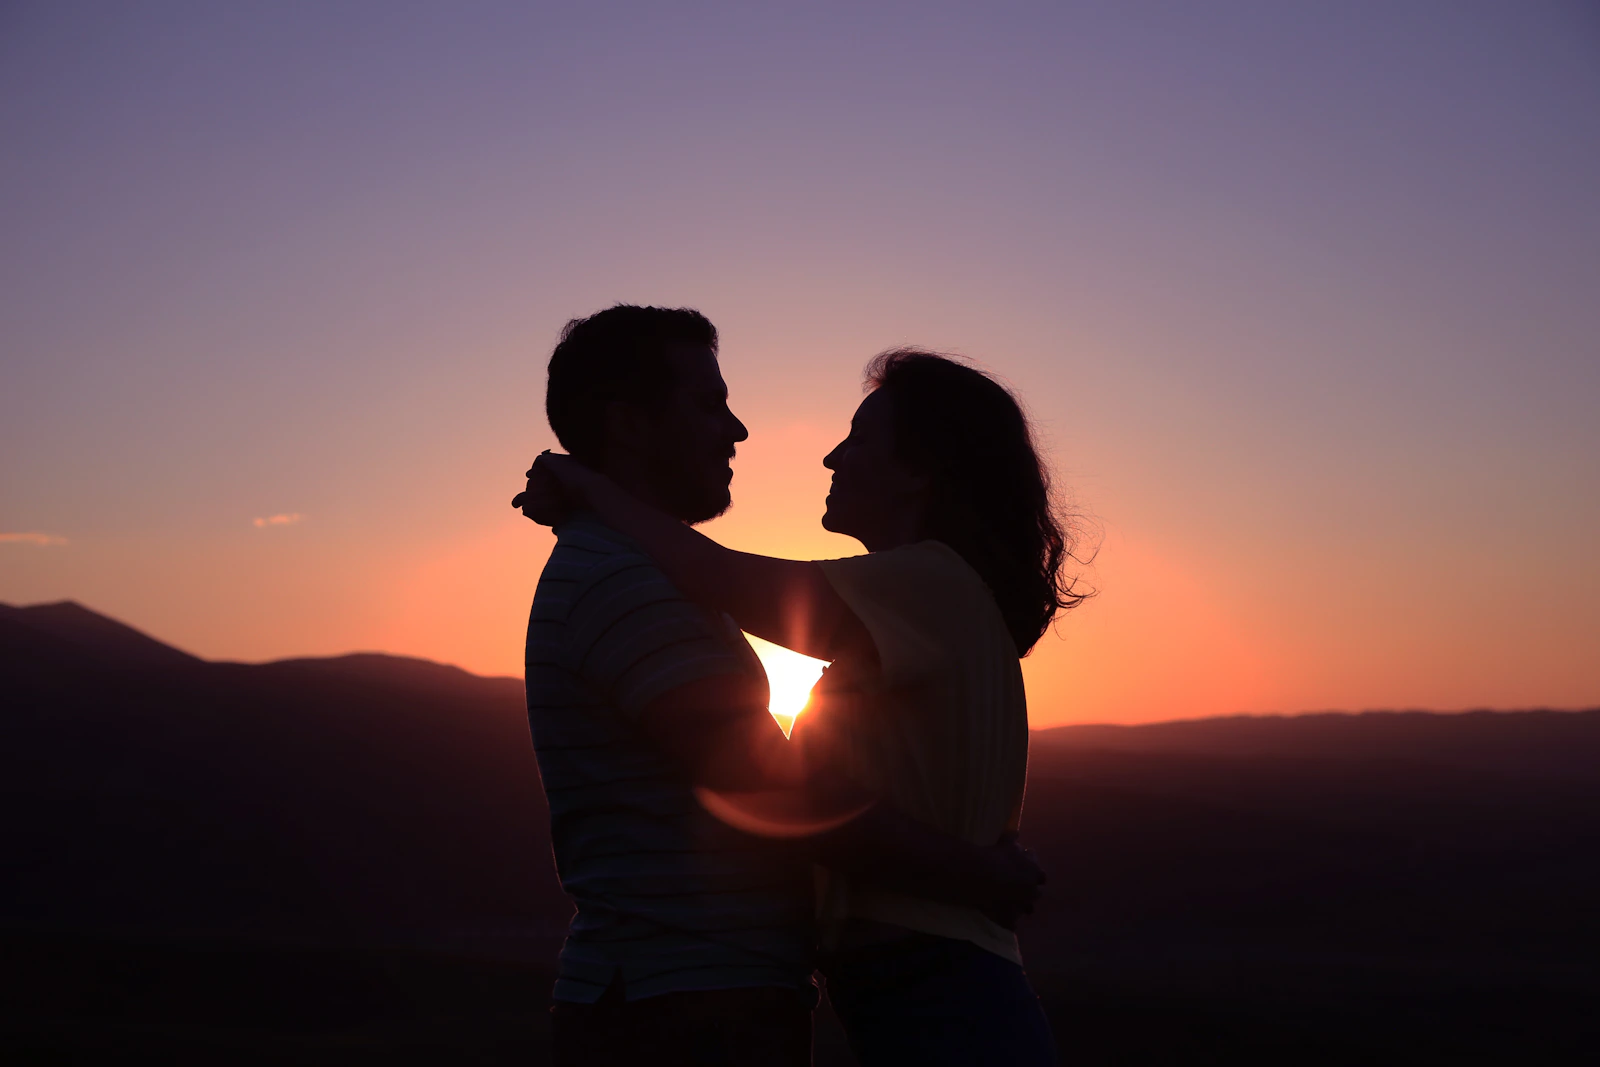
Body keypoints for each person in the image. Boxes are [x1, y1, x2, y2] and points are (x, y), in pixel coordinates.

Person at [523, 343, 1081, 1066]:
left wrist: (589, 488)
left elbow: (718, 574)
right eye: (709, 404)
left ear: (919, 470)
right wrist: (966, 863)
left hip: (938, 987)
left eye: (856, 439)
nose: (830, 457)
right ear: (630, 423)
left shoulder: (929, 584)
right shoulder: (913, 605)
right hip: (903, 986)